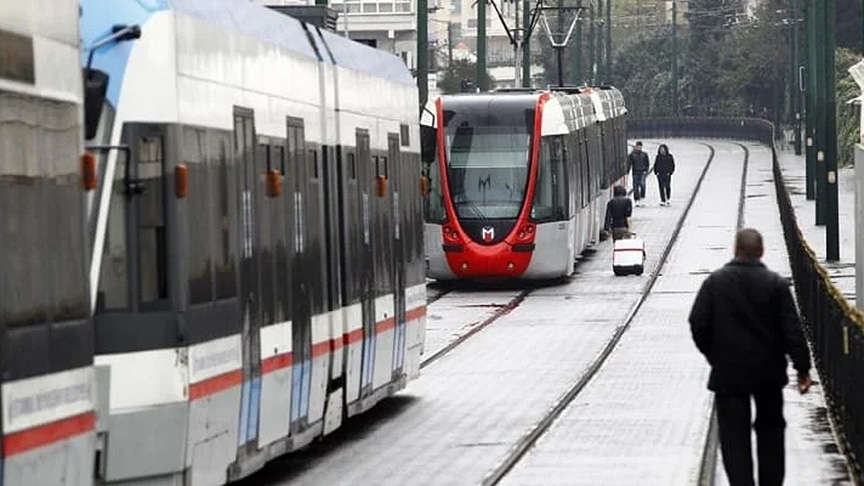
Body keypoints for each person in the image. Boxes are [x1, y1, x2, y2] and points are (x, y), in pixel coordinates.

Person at [689, 228, 813, 486]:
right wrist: (802, 369)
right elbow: (792, 331)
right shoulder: (775, 285)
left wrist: (714, 355)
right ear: (761, 251)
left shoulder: (715, 283)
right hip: (768, 375)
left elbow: (698, 322)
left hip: (729, 375)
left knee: (733, 437)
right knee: (771, 432)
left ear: (735, 250)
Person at [628, 141, 650, 207]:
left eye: (640, 147)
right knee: (635, 186)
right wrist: (628, 171)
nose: (639, 148)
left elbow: (647, 163)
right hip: (635, 172)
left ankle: (642, 198)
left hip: (642, 172)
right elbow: (629, 163)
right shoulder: (632, 155)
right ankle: (636, 199)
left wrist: (646, 170)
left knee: (643, 185)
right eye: (638, 147)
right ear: (636, 147)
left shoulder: (644, 154)